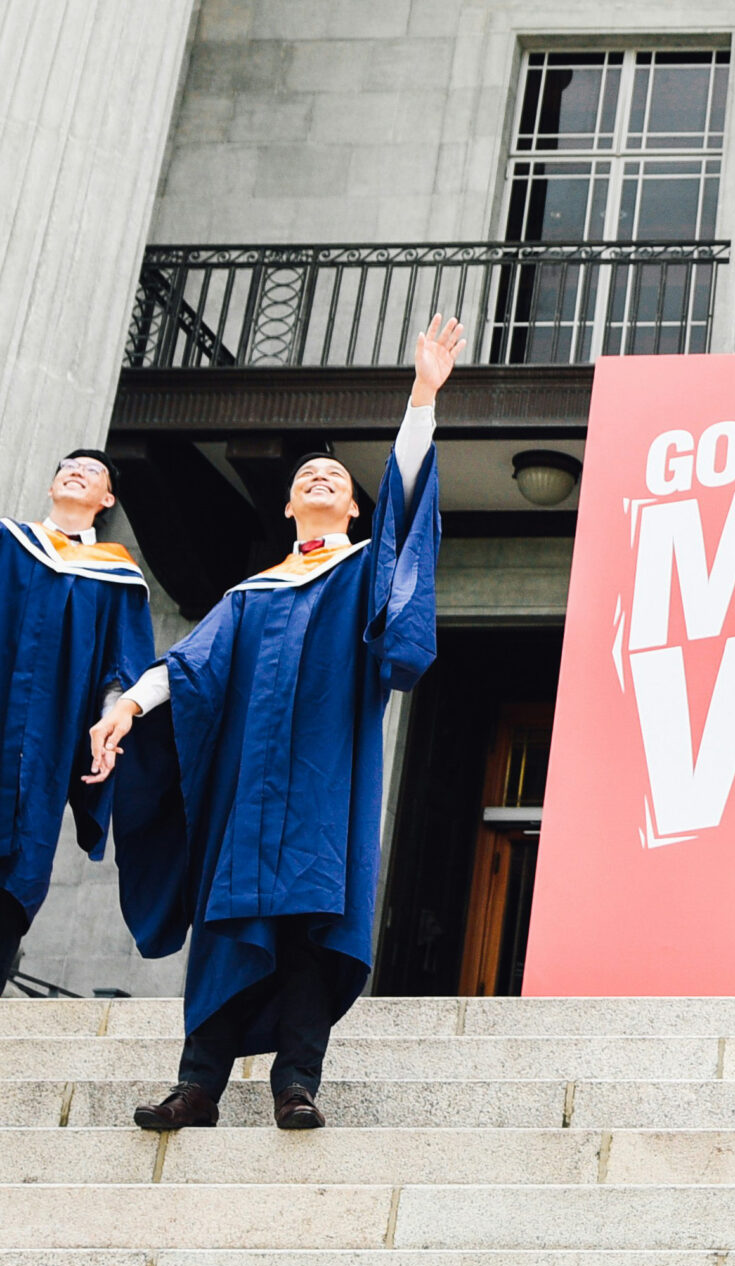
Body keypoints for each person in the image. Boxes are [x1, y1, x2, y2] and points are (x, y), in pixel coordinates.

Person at [91, 316, 458, 1131]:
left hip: (325, 789)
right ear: (290, 504)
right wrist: (126, 708)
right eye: (309, 477)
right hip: (249, 800)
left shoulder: (366, 571)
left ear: (354, 510)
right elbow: (189, 668)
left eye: (337, 478)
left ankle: (296, 1084)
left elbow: (405, 511)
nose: (322, 480)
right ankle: (198, 1088)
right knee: (230, 928)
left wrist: (422, 398)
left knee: (304, 933)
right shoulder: (249, 595)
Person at [0, 452, 158, 981]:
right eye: (66, 466)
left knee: (15, 878)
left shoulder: (113, 575)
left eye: (92, 472)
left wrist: (112, 727)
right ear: (50, 487)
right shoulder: (6, 544)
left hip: (42, 754)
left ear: (107, 499)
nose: (75, 471)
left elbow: (120, 670)